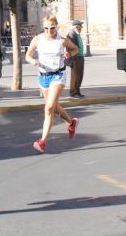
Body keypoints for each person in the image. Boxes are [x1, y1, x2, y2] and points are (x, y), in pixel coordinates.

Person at [26, 15, 79, 153]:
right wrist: (33, 61)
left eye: (52, 28)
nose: (49, 31)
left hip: (58, 75)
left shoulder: (61, 40)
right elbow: (28, 55)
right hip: (43, 77)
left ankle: (42, 142)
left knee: (48, 108)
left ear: (57, 27)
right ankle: (71, 123)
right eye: (46, 28)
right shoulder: (37, 39)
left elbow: (75, 49)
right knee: (54, 107)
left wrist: (69, 54)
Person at [66, 19, 85, 98]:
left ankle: (77, 91)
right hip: (75, 58)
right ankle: (73, 92)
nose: (81, 28)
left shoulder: (77, 34)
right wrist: (71, 58)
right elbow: (69, 47)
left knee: (79, 76)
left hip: (80, 57)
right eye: (80, 26)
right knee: (75, 76)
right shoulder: (71, 34)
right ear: (76, 27)